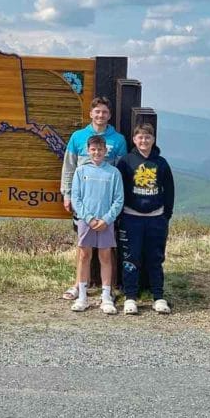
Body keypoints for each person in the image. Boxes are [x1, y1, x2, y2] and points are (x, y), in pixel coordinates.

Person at [60, 95, 127, 301]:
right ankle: (78, 286)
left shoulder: (118, 139)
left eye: (105, 112)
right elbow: (69, 166)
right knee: (83, 248)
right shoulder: (78, 137)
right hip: (84, 203)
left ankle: (109, 288)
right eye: (97, 111)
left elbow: (122, 169)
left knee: (108, 250)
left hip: (107, 204)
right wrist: (67, 193)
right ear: (91, 113)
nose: (101, 115)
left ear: (110, 115)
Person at [116, 122, 175, 314]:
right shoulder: (126, 162)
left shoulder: (161, 163)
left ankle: (158, 296)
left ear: (153, 140)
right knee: (130, 258)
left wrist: (166, 215)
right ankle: (130, 297)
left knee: (155, 258)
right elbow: (119, 189)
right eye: (140, 137)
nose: (144, 140)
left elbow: (169, 190)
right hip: (131, 218)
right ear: (134, 139)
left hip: (156, 219)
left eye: (148, 137)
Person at [69, 135, 124, 314]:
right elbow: (76, 198)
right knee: (84, 256)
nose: (97, 152)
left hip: (106, 222)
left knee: (106, 257)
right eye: (93, 149)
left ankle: (106, 296)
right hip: (86, 221)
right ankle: (83, 296)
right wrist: (89, 218)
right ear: (88, 150)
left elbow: (118, 199)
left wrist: (106, 219)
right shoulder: (80, 171)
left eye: (100, 149)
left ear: (105, 151)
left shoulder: (114, 173)